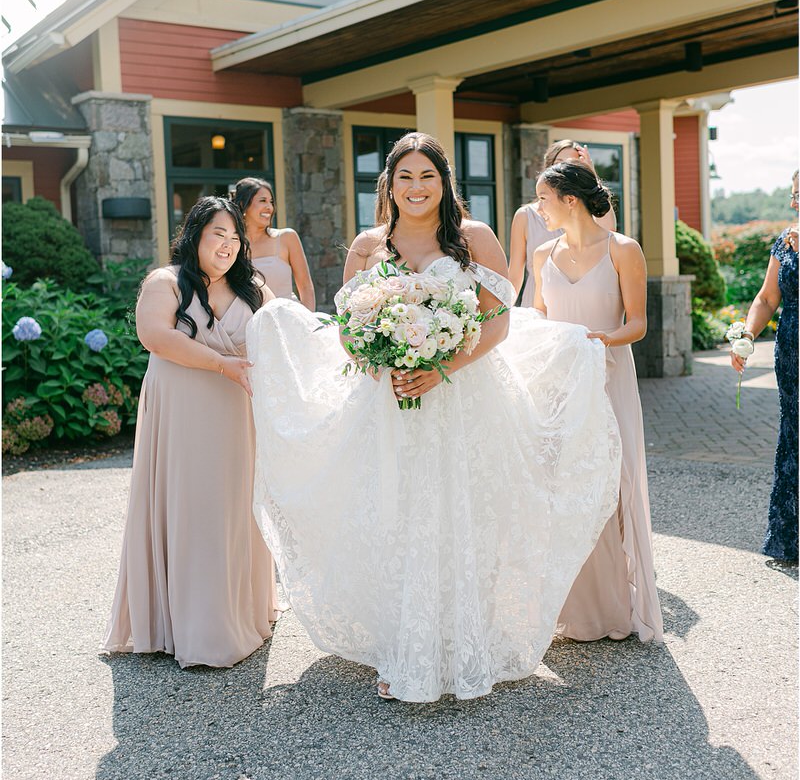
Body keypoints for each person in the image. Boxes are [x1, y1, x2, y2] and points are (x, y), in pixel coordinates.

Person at [247, 132, 622, 703]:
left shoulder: (474, 238)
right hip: (388, 400)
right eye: (405, 177)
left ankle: (462, 638)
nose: (416, 187)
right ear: (389, 186)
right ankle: (405, 643)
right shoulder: (368, 245)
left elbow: (499, 320)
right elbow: (348, 325)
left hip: (465, 395)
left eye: (427, 176)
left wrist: (443, 365)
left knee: (464, 511)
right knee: (396, 513)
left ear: (444, 182)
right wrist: (379, 361)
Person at [102, 197, 280, 669]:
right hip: (182, 410)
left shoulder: (254, 287)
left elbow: (285, 335)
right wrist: (221, 364)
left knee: (232, 506)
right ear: (195, 236)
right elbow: (156, 337)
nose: (227, 245)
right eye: (217, 235)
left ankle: (240, 610)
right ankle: (192, 627)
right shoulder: (166, 282)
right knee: (191, 504)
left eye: (234, 237)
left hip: (235, 413)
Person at [531, 160, 663, 643]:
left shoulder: (623, 249)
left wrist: (598, 342)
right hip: (558, 385)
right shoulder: (542, 255)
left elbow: (637, 324)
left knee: (612, 483)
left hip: (608, 378)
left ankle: (615, 603)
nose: (536, 207)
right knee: (564, 485)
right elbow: (538, 318)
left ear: (570, 200)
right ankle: (571, 607)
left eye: (542, 198)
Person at [731, 173, 798, 564]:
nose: (794, 204)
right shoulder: (784, 240)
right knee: (794, 433)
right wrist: (746, 335)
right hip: (792, 353)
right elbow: (767, 297)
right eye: (793, 196)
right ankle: (791, 538)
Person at [509, 139, 617, 305]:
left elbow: (609, 229)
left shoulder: (586, 216)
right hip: (536, 304)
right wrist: (505, 315)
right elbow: (515, 275)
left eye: (572, 164)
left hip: (576, 303)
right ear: (548, 167)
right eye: (559, 163)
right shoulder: (525, 216)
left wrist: (591, 175)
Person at [231, 177, 315, 309]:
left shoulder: (287, 237)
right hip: (250, 323)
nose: (269, 207)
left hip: (290, 319)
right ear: (242, 205)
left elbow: (305, 287)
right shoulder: (232, 244)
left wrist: (308, 321)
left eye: (271, 202)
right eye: (262, 201)